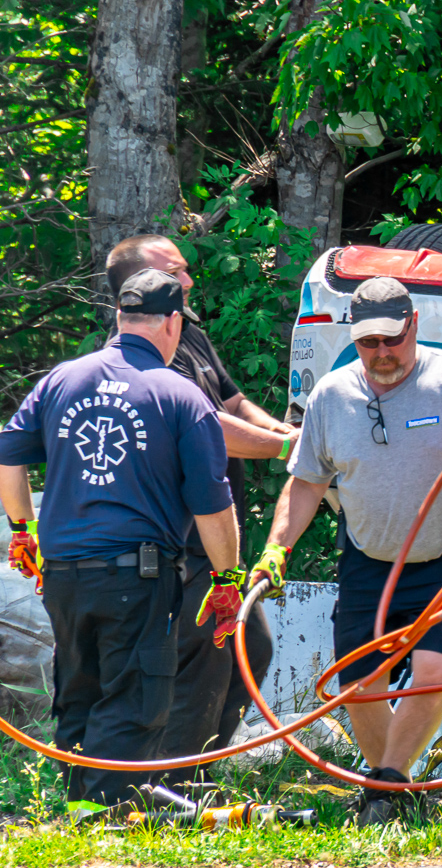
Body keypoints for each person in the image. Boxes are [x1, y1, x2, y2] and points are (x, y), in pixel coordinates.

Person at [248, 276, 442, 825]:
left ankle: (387, 786)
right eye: (368, 343)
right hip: (368, 560)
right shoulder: (333, 396)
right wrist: (275, 551)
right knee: (360, 682)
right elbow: (307, 482)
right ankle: (389, 785)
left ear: (414, 326)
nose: (382, 353)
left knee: (434, 667)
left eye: (392, 340)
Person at [0, 269, 241, 805]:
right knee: (133, 699)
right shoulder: (181, 396)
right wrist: (226, 578)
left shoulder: (63, 380)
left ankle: (81, 807)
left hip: (62, 576)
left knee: (79, 694)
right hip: (136, 576)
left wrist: (21, 530)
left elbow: (5, 457)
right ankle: (106, 819)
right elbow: (213, 504)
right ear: (172, 323)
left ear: (121, 318)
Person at [103, 235, 299, 784]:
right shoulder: (139, 354)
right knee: (209, 653)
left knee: (249, 648)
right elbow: (209, 426)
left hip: (217, 540)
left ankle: (194, 775)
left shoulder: (187, 334)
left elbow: (232, 402)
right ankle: (171, 789)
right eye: (176, 273)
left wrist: (285, 432)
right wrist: (291, 448)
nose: (189, 281)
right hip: (181, 540)